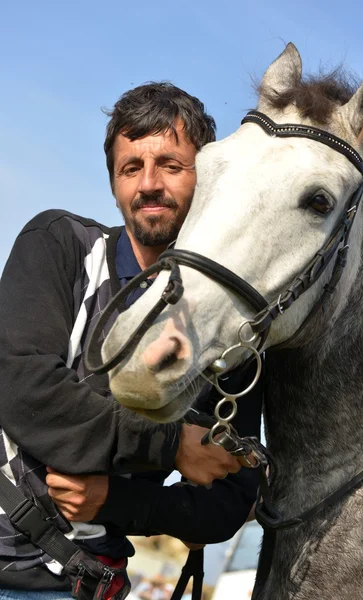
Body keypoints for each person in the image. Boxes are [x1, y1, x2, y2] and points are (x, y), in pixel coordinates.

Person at [0, 82, 262, 597]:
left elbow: (231, 496)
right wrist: (168, 447)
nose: (148, 184)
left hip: (96, 582)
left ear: (205, 177)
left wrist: (113, 501)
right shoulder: (60, 245)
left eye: (169, 164)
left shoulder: (229, 324)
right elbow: (22, 388)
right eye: (130, 168)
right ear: (114, 183)